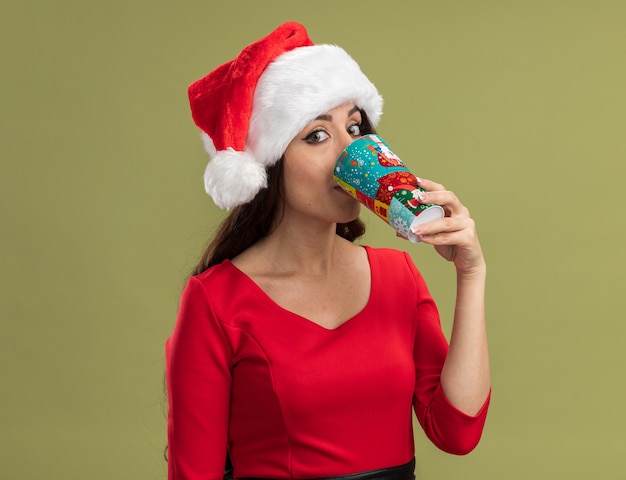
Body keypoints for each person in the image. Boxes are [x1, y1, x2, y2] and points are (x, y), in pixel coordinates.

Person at [165, 22, 491, 480]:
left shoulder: (399, 277)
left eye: (355, 127)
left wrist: (471, 274)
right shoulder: (215, 302)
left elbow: (457, 432)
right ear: (271, 164)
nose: (351, 152)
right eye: (317, 135)